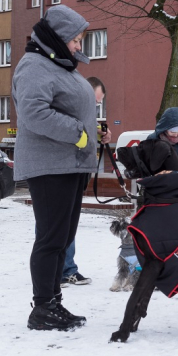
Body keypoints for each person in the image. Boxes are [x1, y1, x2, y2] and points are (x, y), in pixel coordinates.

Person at [12, 5, 97, 331]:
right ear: (60, 38)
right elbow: (33, 113)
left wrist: (91, 132)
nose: (79, 46)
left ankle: (54, 301)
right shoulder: (34, 66)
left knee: (62, 237)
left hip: (69, 164)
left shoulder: (58, 64)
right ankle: (43, 307)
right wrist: (78, 134)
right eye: (75, 39)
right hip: (50, 166)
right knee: (51, 238)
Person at [60, 76, 112, 287]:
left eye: (99, 103)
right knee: (56, 224)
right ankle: (59, 270)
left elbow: (85, 127)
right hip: (63, 171)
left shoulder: (83, 113)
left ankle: (65, 269)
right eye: (95, 101)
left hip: (79, 170)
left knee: (68, 223)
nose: (96, 106)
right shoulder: (68, 109)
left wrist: (101, 133)